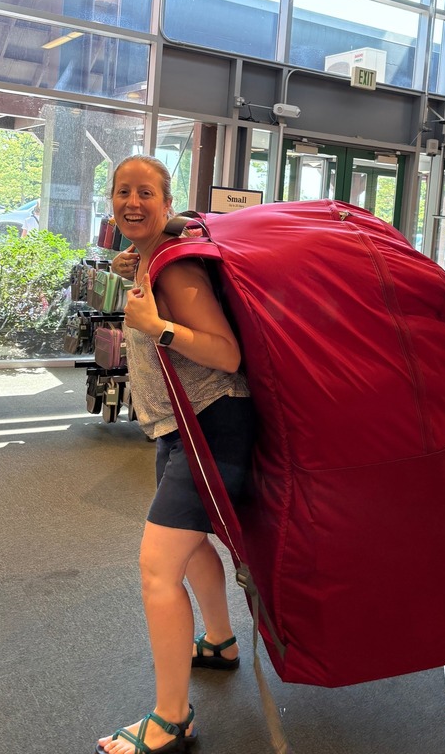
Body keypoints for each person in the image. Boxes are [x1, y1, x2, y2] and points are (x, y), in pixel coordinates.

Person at [97, 155, 256, 754]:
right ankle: (219, 641)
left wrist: (158, 325)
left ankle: (172, 719)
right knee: (190, 551)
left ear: (167, 204)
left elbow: (227, 353)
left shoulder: (177, 270)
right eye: (122, 192)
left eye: (145, 193)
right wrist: (136, 264)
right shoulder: (148, 258)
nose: (132, 202)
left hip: (213, 425)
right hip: (179, 426)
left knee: (156, 568)